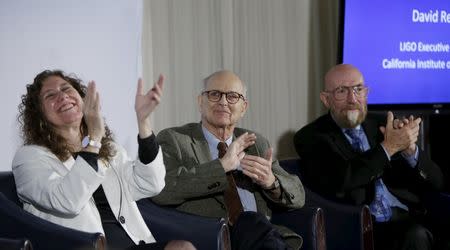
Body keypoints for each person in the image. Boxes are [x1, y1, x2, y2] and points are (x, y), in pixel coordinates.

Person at [12, 70, 195, 250]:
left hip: (131, 244)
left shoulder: (109, 149)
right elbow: (67, 201)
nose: (62, 96)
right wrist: (93, 139)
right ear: (39, 114)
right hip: (84, 247)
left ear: (82, 98)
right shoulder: (29, 158)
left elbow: (150, 184)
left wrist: (143, 122)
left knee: (182, 248)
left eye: (66, 89)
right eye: (50, 95)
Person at [293, 64, 445, 250]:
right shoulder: (310, 137)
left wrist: (409, 150)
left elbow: (438, 182)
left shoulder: (382, 125)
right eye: (342, 91)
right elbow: (343, 178)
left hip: (409, 214)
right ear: (326, 99)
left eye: (358, 89)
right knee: (416, 236)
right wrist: (389, 147)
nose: (352, 99)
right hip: (361, 225)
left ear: (366, 92)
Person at [152, 70, 305, 250]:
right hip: (211, 236)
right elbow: (162, 190)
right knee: (250, 220)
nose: (223, 102)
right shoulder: (174, 139)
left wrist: (271, 182)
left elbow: (299, 196)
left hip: (260, 238)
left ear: (244, 107)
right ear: (201, 102)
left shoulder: (256, 144)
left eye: (232, 96)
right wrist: (221, 166)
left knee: (253, 222)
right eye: (215, 94)